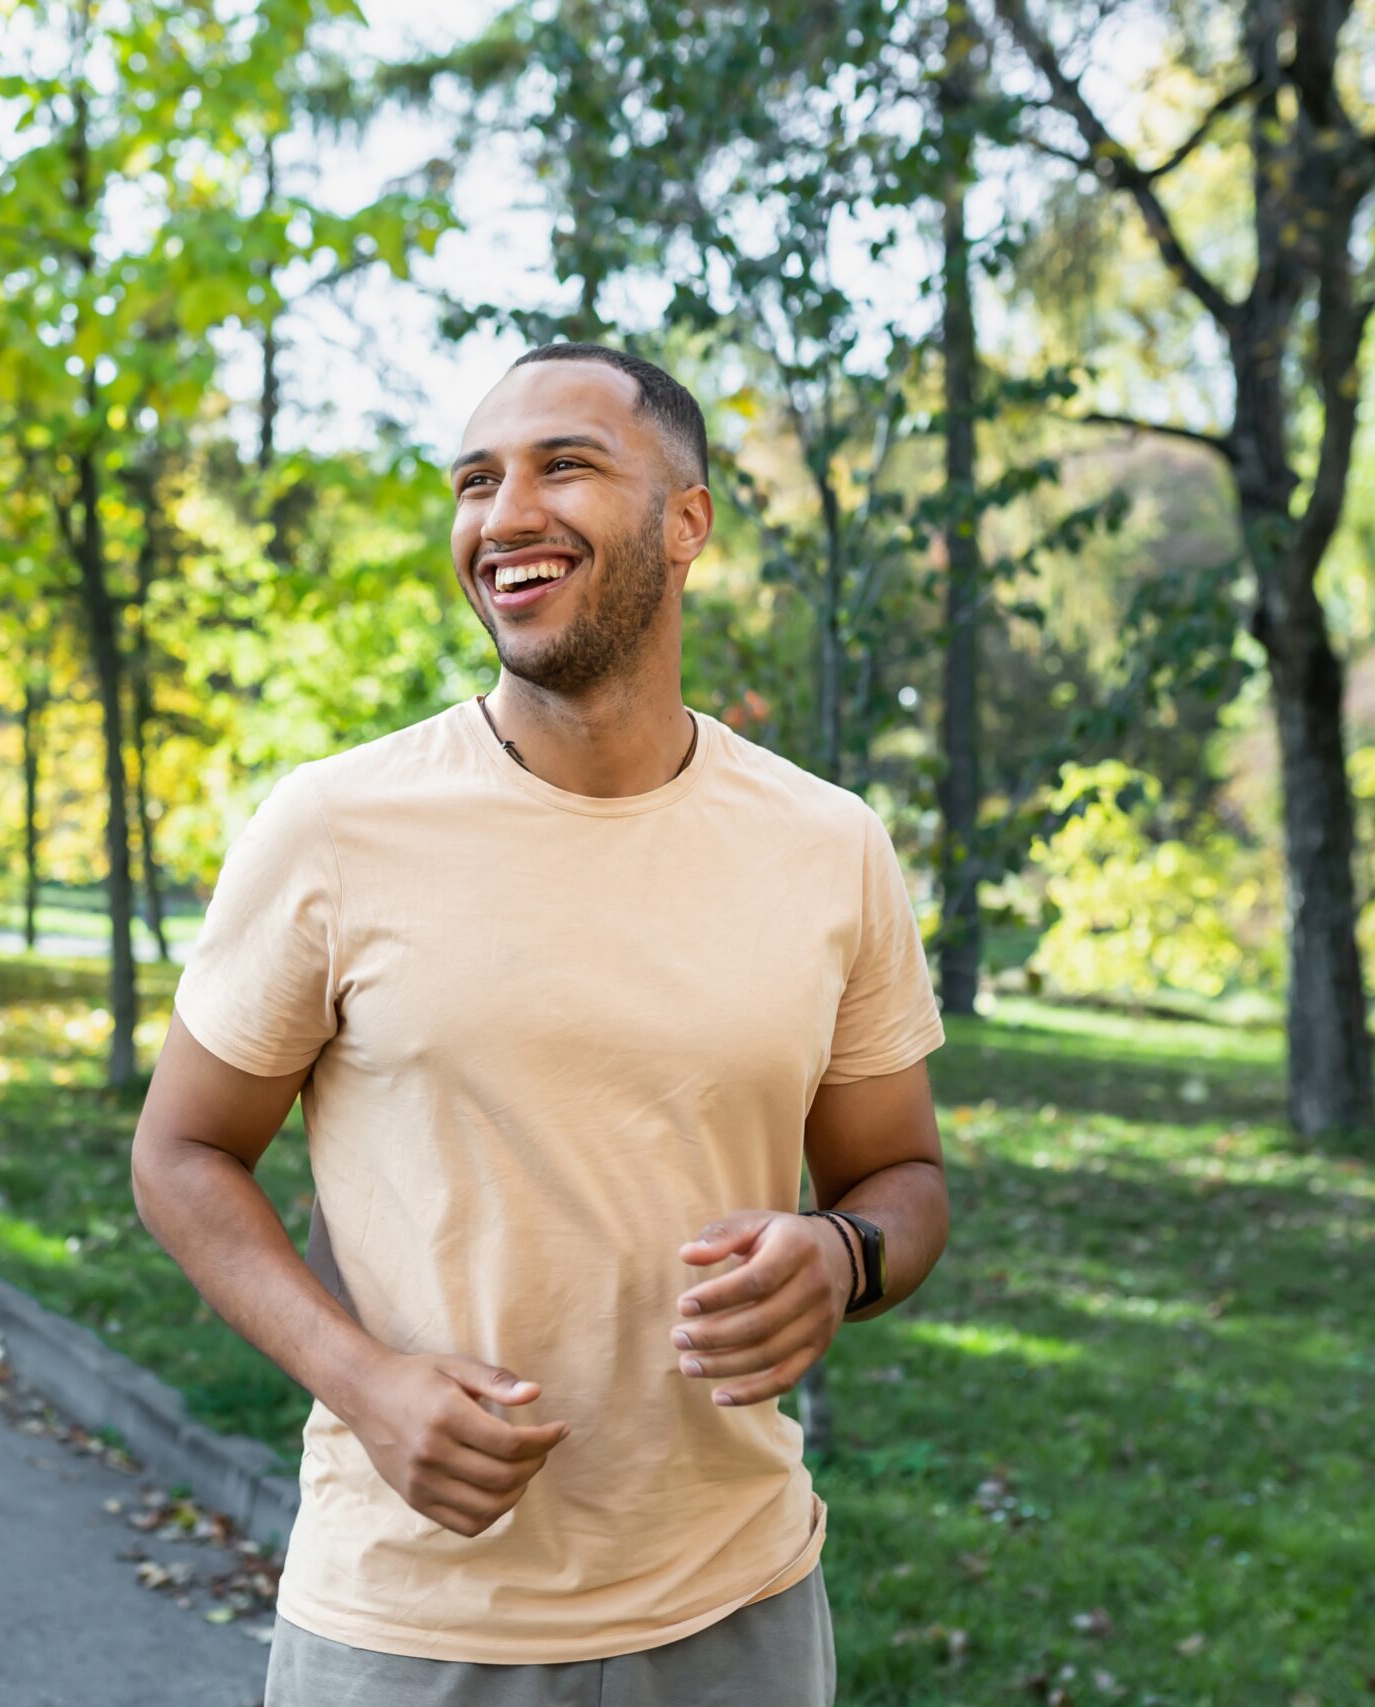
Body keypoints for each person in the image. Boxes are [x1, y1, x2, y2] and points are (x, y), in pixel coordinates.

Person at [130, 342, 951, 1706]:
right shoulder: (335, 826)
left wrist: (845, 1255)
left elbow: (902, 1178)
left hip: (737, 1606)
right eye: (474, 482)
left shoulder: (829, 844)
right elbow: (180, 1156)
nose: (501, 515)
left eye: (563, 466)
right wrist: (367, 1384)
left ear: (687, 521)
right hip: (409, 1619)